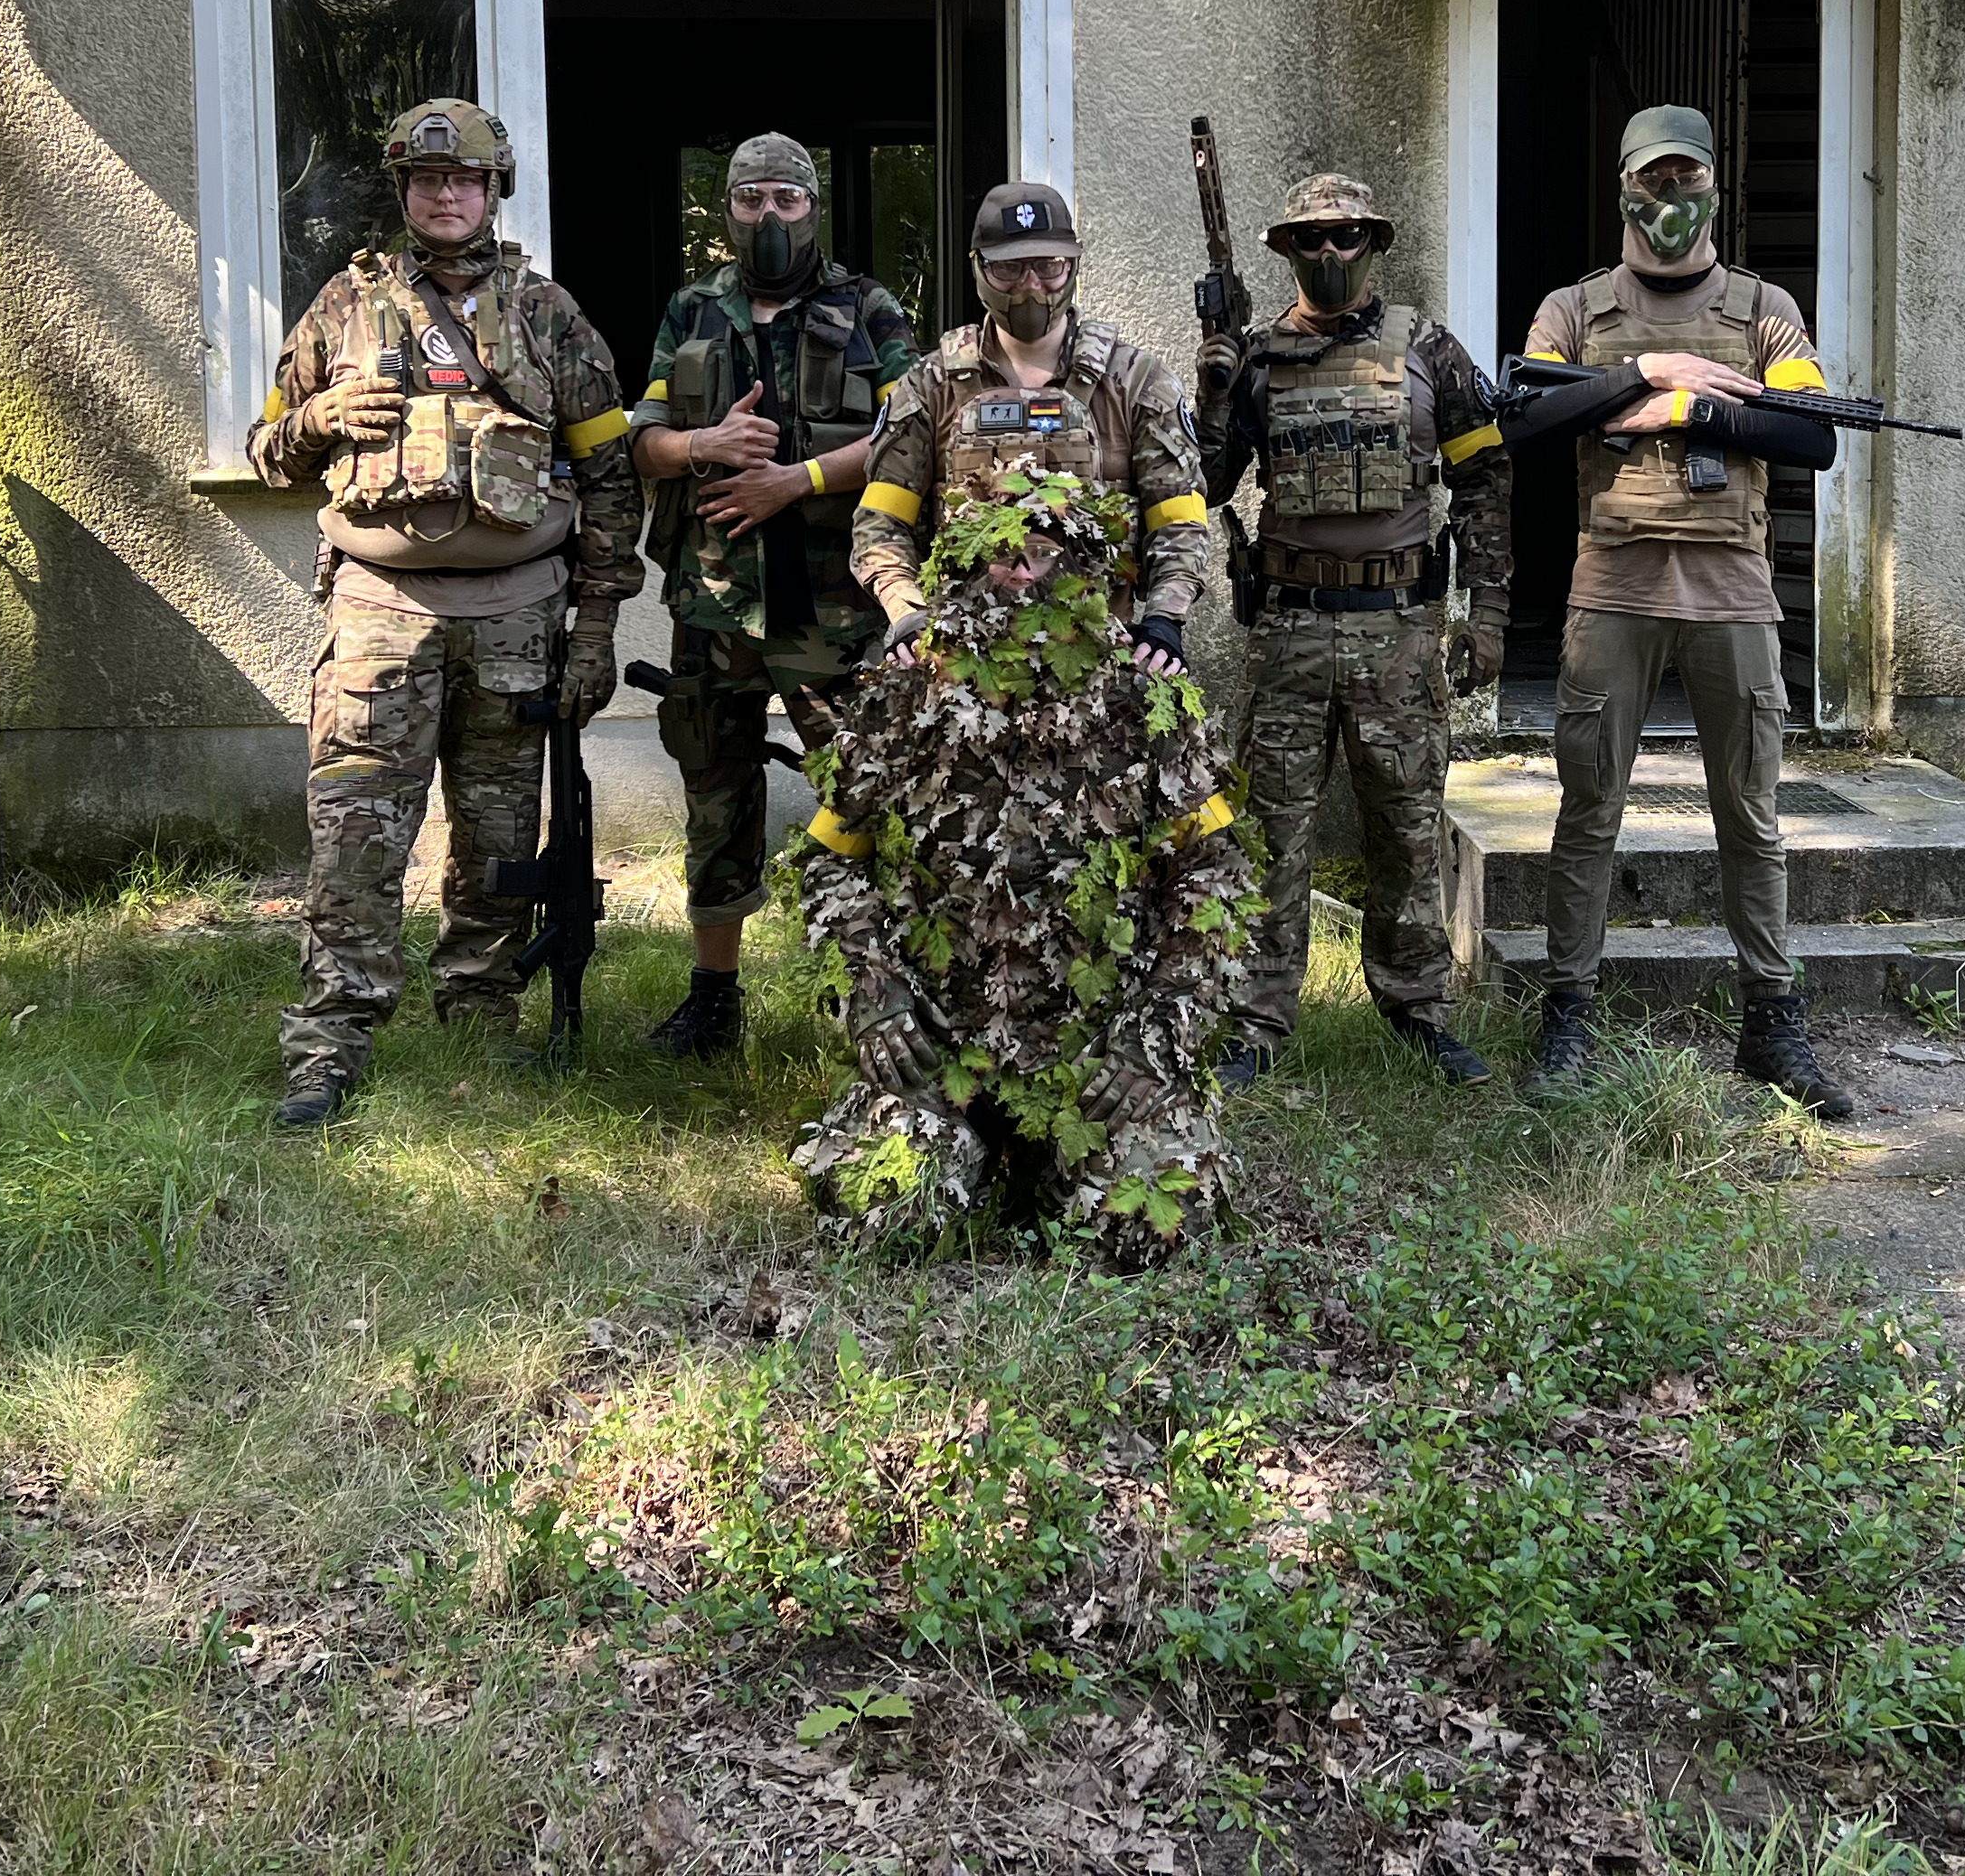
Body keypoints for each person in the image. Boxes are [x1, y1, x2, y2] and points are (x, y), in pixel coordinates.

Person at [244, 98, 644, 1130]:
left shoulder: (549, 316)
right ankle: (332, 1042)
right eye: (428, 182)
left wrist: (595, 630)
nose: (447, 195)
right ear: (405, 192)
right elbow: (269, 446)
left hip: (519, 616)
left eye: (466, 179)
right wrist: (321, 418)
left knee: (501, 836)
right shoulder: (344, 305)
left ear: (493, 189)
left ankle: (479, 1018)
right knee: (357, 832)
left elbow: (609, 478)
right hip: (380, 611)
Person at [790, 464, 1254, 1262]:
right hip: (947, 1055)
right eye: (1004, 558)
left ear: (1086, 576)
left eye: (1046, 557)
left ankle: (1055, 1167)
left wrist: (1154, 1035)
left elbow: (1219, 878)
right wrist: (876, 999)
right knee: (887, 1217)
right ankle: (967, 1158)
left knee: (1142, 1232)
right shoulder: (904, 702)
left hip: (1095, 1060)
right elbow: (829, 865)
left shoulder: (1144, 703)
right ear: (963, 568)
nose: (1023, 576)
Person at [1493, 103, 1857, 1117]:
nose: (1670, 197)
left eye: (1687, 179)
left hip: (1731, 586)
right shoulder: (1576, 308)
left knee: (1752, 814)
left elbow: (1812, 438)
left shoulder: (1764, 309)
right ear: (1623, 187)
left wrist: (1696, 406)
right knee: (1590, 810)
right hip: (1612, 582)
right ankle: (1569, 1010)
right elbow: (1524, 418)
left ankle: (1771, 1019)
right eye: (1654, 179)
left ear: (1713, 187)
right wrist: (1644, 373)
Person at [1198, 171, 1504, 1085]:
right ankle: (1254, 1019)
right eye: (1311, 240)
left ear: (1374, 244)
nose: (1330, 254)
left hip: (1400, 630)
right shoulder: (1253, 360)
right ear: (1286, 251)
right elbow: (1204, 488)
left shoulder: (1432, 352)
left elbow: (1486, 486)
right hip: (1290, 627)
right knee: (1267, 832)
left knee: (1407, 826)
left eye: (1347, 238)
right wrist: (1213, 393)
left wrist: (1486, 613)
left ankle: (1418, 1011)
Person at [628, 133, 919, 1059]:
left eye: (786, 200)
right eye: (751, 199)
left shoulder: (867, 308)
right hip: (714, 605)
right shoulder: (692, 309)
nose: (769, 216)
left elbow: (914, 436)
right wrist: (703, 447)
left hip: (833, 608)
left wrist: (794, 481)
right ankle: (713, 997)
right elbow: (642, 442)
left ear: (813, 207)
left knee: (867, 794)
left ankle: (878, 994)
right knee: (715, 790)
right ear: (728, 210)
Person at [847, 179, 1221, 679]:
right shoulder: (931, 387)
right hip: (965, 665)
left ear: (1072, 266)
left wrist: (1164, 619)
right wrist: (907, 614)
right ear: (979, 267)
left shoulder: (1136, 383)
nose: (1030, 286)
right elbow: (881, 522)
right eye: (1009, 268)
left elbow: (1179, 519)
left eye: (1048, 266)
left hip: (1100, 659)